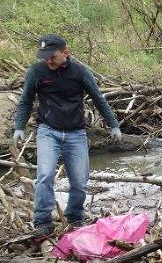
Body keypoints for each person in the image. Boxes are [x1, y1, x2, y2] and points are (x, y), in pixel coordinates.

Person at [11, 34, 123, 236]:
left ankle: (74, 219)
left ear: (65, 53)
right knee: (45, 175)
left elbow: (98, 98)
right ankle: (42, 222)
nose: (47, 60)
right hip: (48, 131)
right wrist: (19, 126)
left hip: (76, 133)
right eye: (44, 56)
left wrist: (114, 125)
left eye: (52, 56)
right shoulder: (36, 72)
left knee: (79, 182)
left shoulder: (80, 71)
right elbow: (26, 100)